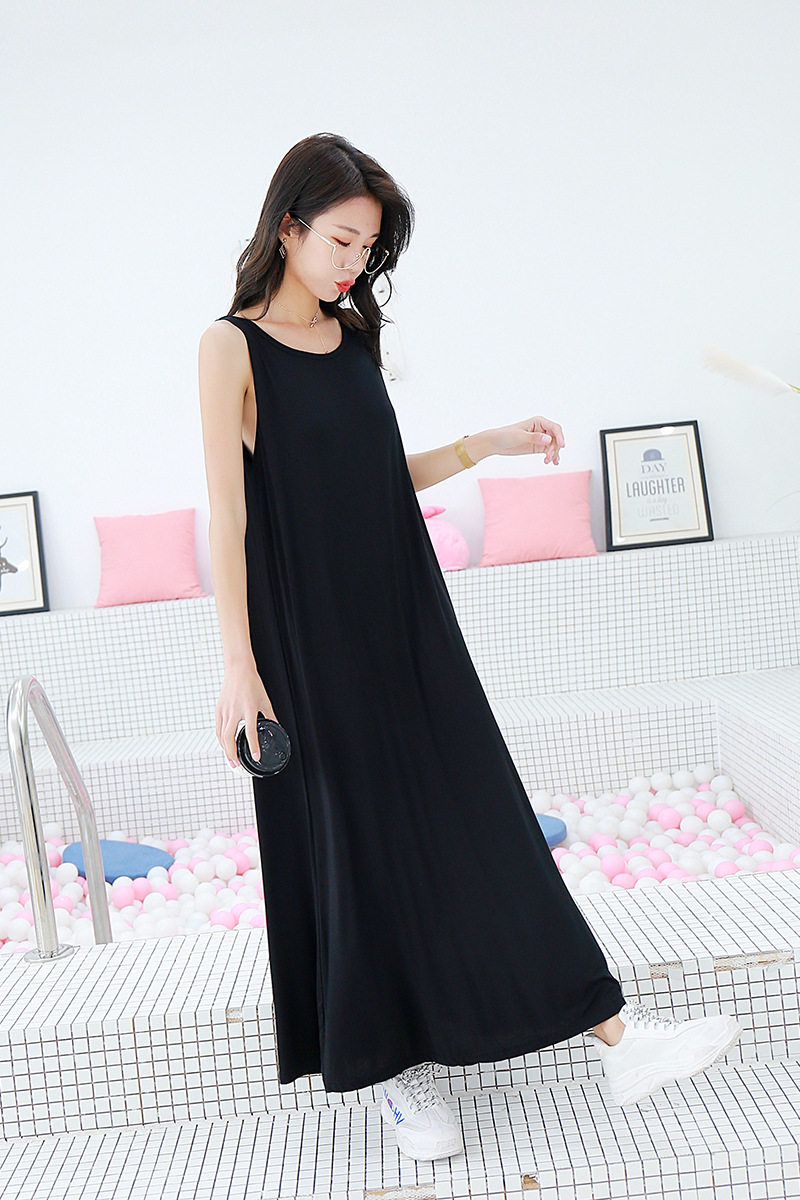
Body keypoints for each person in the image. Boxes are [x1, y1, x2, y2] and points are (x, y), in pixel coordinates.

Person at [197, 132, 742, 1162]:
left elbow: (370, 475)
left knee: (480, 811)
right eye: (341, 240)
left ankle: (616, 1038)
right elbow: (228, 514)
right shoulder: (228, 347)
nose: (354, 263)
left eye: (368, 248)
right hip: (305, 638)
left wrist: (482, 445)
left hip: (405, 617)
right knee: (348, 843)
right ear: (288, 226)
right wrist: (239, 666)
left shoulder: (352, 338)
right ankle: (390, 1078)